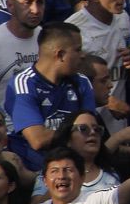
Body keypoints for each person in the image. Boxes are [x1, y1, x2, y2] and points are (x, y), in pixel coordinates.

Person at [5, 22, 93, 171]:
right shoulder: (24, 83)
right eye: (77, 50)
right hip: (33, 172)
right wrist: (78, 133)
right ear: (60, 55)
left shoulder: (82, 82)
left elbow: (91, 133)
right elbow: (37, 139)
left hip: (75, 170)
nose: (83, 55)